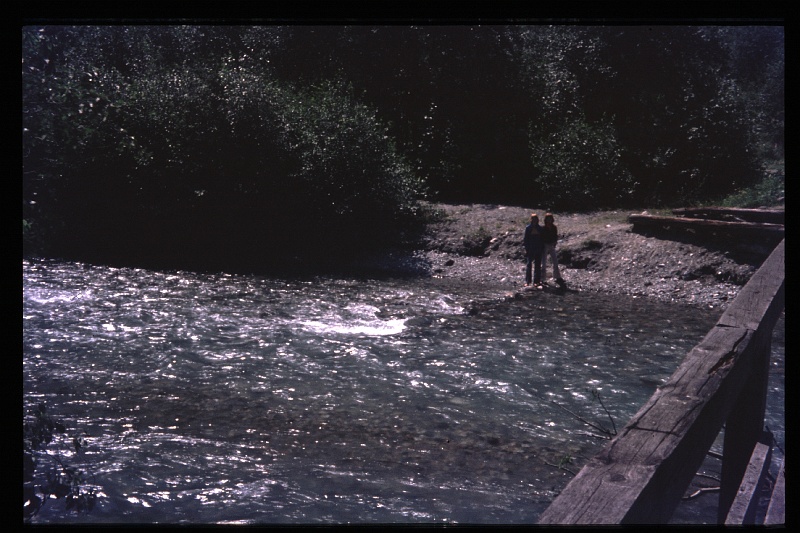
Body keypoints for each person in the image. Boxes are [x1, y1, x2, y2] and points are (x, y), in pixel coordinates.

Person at [542, 213, 565, 287]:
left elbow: (555, 236)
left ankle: (557, 276)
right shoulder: (543, 228)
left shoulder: (554, 227)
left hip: (551, 245)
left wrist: (554, 243)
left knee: (555, 261)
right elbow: (541, 237)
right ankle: (543, 278)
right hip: (545, 245)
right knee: (544, 262)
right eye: (548, 219)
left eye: (550, 218)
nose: (549, 220)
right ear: (545, 220)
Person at [523, 213, 544, 288]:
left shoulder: (540, 228)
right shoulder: (528, 228)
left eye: (536, 219)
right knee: (529, 265)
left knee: (537, 265)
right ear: (531, 220)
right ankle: (528, 281)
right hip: (530, 249)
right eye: (533, 219)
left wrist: (542, 248)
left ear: (537, 220)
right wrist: (526, 249)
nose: (534, 220)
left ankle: (536, 281)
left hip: (538, 248)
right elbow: (526, 239)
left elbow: (542, 239)